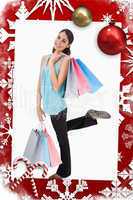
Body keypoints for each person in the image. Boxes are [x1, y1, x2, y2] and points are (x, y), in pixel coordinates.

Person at [36, 29, 111, 180]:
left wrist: (52, 64)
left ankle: (64, 172)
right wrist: (37, 105)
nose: (59, 41)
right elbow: (39, 83)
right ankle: (89, 117)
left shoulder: (65, 60)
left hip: (58, 106)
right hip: (48, 105)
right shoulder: (44, 58)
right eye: (58, 37)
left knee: (62, 138)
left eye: (63, 41)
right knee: (63, 130)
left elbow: (57, 86)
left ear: (67, 45)